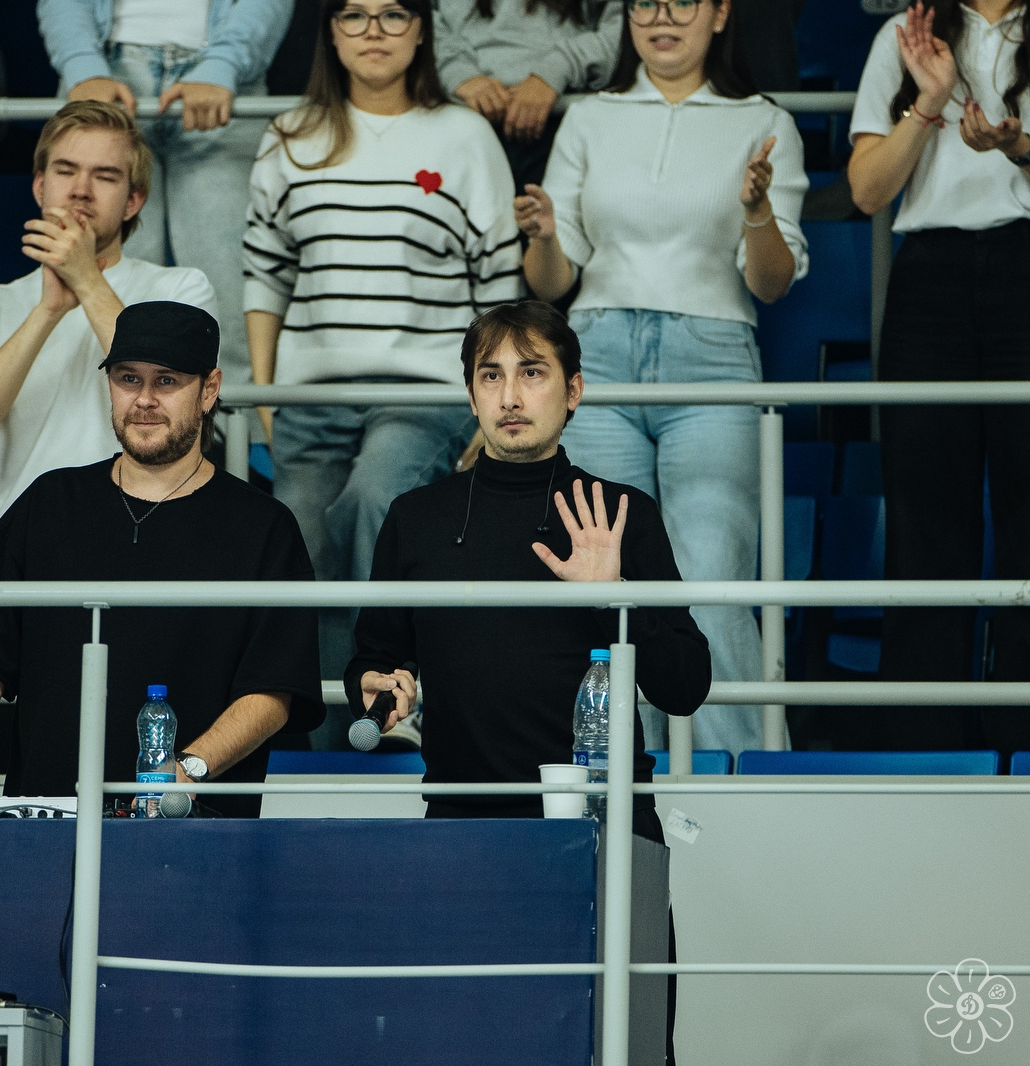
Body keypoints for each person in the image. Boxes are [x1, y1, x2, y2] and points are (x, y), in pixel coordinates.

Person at [345, 302, 707, 1062]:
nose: (510, 396)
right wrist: (380, 687)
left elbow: (685, 685)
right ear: (471, 394)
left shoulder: (619, 513)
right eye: (491, 376)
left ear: (573, 391)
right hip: (463, 828)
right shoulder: (415, 517)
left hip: (608, 832)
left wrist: (617, 595)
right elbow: (374, 662)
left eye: (532, 373)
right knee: (461, 1046)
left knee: (628, 1048)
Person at [0, 301, 324, 819]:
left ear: (209, 390)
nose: (144, 399)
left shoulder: (264, 527)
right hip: (45, 825)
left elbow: (274, 690)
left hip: (194, 830)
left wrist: (186, 771)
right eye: (128, 379)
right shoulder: (48, 503)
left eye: (167, 381)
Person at [515, 0, 808, 756]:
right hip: (599, 354)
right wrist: (543, 236)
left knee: (710, 577)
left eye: (683, 1)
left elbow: (772, 283)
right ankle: (629, 778)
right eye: (645, 2)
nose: (662, 16)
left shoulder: (764, 120)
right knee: (609, 579)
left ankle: (743, 780)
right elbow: (554, 283)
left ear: (720, 13)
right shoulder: (589, 116)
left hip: (713, 357)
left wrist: (756, 211)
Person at [243, 0, 522, 735]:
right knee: (299, 540)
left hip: (426, 391)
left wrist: (487, 406)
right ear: (330, 32)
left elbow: (498, 289)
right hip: (309, 395)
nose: (373, 32)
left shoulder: (464, 135)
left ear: (422, 30)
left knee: (376, 499)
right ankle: (327, 740)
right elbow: (265, 277)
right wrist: (267, 396)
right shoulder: (289, 136)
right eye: (354, 15)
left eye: (394, 15)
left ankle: (397, 708)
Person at [846, 1, 1030, 756]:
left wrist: (1018, 147)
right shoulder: (905, 33)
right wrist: (928, 102)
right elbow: (865, 191)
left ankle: (1023, 740)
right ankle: (922, 747)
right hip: (930, 278)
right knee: (923, 518)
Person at [0, 101, 217, 548]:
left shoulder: (180, 288)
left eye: (105, 176)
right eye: (66, 171)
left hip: (144, 535)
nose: (81, 191)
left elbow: (178, 397)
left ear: (134, 200)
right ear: (40, 186)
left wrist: (86, 280)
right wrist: (47, 311)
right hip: (14, 545)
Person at [37, 0, 293, 386]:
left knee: (230, 289)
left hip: (223, 85)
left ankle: (236, 425)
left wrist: (224, 62)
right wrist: (82, 65)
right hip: (105, 79)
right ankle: (105, 420)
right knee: (102, 273)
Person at [434, 0, 625, 190]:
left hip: (565, 116)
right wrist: (457, 70)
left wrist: (556, 68)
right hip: (456, 113)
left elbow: (627, 26)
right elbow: (420, 16)